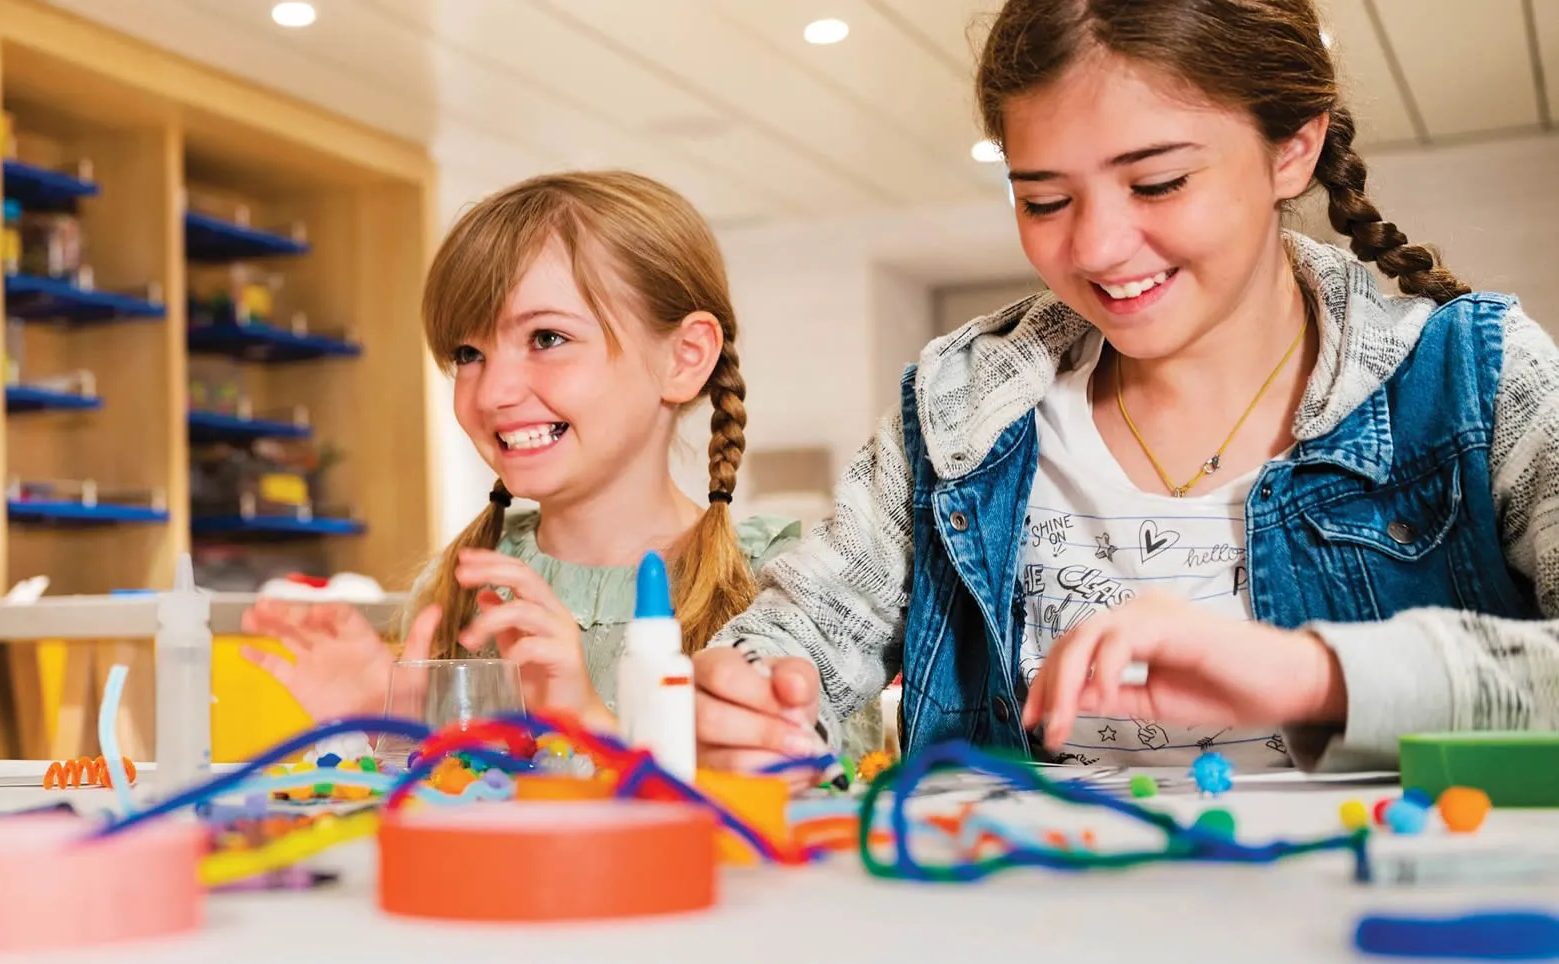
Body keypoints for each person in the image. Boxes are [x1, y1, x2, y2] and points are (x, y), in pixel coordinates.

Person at [691, 0, 1559, 775]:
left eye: (1157, 182)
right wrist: (751, 706)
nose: (1099, 248)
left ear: (1293, 148)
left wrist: (1314, 675)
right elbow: (788, 644)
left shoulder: (1478, 379)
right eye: (1043, 201)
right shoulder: (955, 411)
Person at [240, 171, 841, 743]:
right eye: (468, 352)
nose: (494, 392)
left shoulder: (780, 589)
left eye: (546, 338)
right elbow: (461, 814)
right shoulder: (457, 586)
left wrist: (588, 721)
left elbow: (819, 814)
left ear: (683, 357)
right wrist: (387, 726)